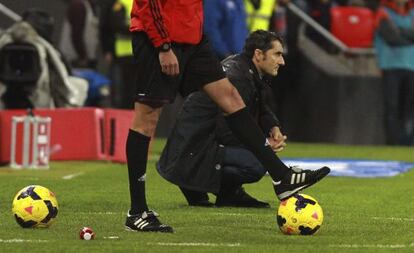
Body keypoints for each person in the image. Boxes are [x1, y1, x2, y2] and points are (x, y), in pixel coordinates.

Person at [125, 0, 330, 233]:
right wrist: (163, 46)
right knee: (147, 119)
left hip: (193, 38)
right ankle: (137, 212)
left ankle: (282, 177)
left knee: (230, 97)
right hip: (160, 41)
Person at [157, 30, 290, 208]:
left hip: (191, 147)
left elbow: (260, 105)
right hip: (192, 153)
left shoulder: (243, 68)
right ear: (258, 54)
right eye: (277, 54)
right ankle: (225, 192)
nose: (282, 61)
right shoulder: (239, 78)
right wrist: (262, 144)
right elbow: (226, 130)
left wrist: (273, 126)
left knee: (257, 152)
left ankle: (218, 191)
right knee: (258, 162)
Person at [374, 0, 414, 145]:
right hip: (390, 66)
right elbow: (391, 38)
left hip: (411, 66)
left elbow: (397, 34)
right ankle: (392, 142)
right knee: (392, 107)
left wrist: (400, 30)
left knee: (408, 108)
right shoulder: (383, 12)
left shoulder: (412, 13)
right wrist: (408, 35)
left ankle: (407, 143)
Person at [59, 0, 99, 68]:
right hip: (74, 60)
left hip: (82, 59)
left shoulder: (90, 7)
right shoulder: (78, 6)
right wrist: (83, 56)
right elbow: (76, 34)